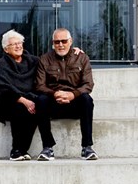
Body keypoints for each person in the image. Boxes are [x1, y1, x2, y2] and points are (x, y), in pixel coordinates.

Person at [35, 28, 98, 161]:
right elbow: (40, 85)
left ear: (71, 42)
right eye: (57, 42)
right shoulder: (45, 59)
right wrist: (55, 93)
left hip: (74, 103)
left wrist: (72, 95)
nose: (60, 45)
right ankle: (47, 148)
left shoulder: (82, 58)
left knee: (86, 99)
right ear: (53, 43)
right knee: (41, 100)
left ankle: (87, 147)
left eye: (64, 41)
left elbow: (88, 84)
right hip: (54, 102)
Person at [0, 30, 40, 161]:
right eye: (14, 44)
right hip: (3, 102)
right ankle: (16, 150)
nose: (18, 46)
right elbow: (2, 87)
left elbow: (51, 61)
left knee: (36, 109)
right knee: (19, 108)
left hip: (29, 99)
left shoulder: (33, 61)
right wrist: (23, 100)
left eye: (20, 43)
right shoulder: (2, 64)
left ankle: (23, 149)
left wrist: (73, 52)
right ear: (6, 49)